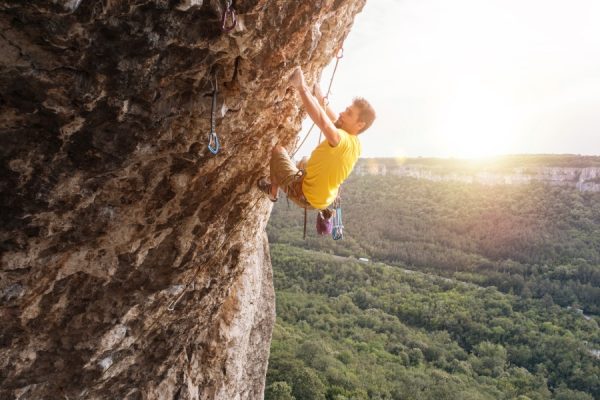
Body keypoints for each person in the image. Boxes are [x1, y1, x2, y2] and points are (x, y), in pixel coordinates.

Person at [258, 66, 375, 211]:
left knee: (278, 151)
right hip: (324, 198)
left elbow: (325, 123)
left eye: (349, 113)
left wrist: (302, 87)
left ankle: (272, 191)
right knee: (304, 161)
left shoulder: (341, 140)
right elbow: (333, 119)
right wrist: (320, 99)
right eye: (346, 109)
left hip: (305, 196)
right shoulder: (355, 142)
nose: (342, 113)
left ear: (360, 124)